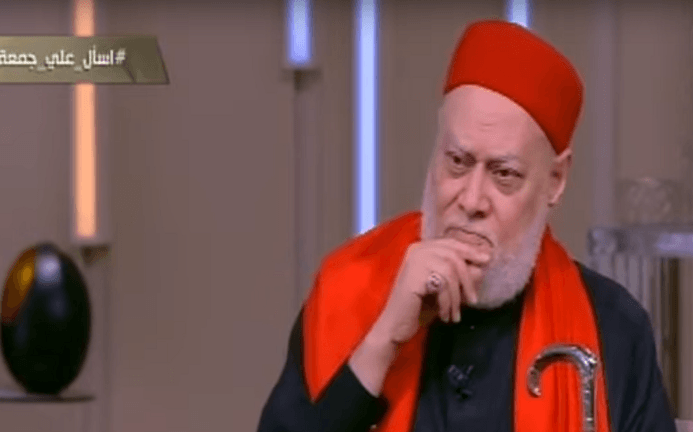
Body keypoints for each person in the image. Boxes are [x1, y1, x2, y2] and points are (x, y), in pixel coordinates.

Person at [257, 19, 676, 432]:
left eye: (504, 174)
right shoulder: (346, 288)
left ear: (555, 180)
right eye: (457, 162)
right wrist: (382, 342)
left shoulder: (614, 328)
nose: (472, 201)